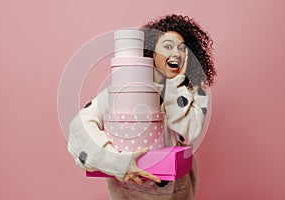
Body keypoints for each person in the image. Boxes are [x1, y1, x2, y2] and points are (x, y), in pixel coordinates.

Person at [67, 14, 216, 200]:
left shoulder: (195, 94)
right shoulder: (124, 92)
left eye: (182, 48)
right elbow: (79, 128)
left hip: (177, 192)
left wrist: (174, 85)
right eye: (168, 46)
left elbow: (189, 133)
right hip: (129, 192)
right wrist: (118, 162)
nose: (176, 53)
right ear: (152, 52)